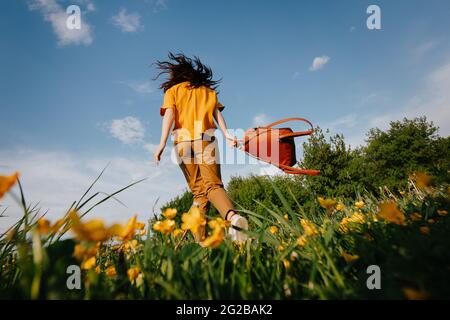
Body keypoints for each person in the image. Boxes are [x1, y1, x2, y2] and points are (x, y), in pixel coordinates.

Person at [153, 52, 248, 243]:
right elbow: (217, 116)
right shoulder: (208, 91)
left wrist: (162, 143)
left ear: (178, 74)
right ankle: (233, 219)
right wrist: (228, 135)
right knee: (213, 186)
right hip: (205, 139)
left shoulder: (172, 91)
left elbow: (169, 116)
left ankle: (200, 243)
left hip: (182, 142)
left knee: (199, 193)